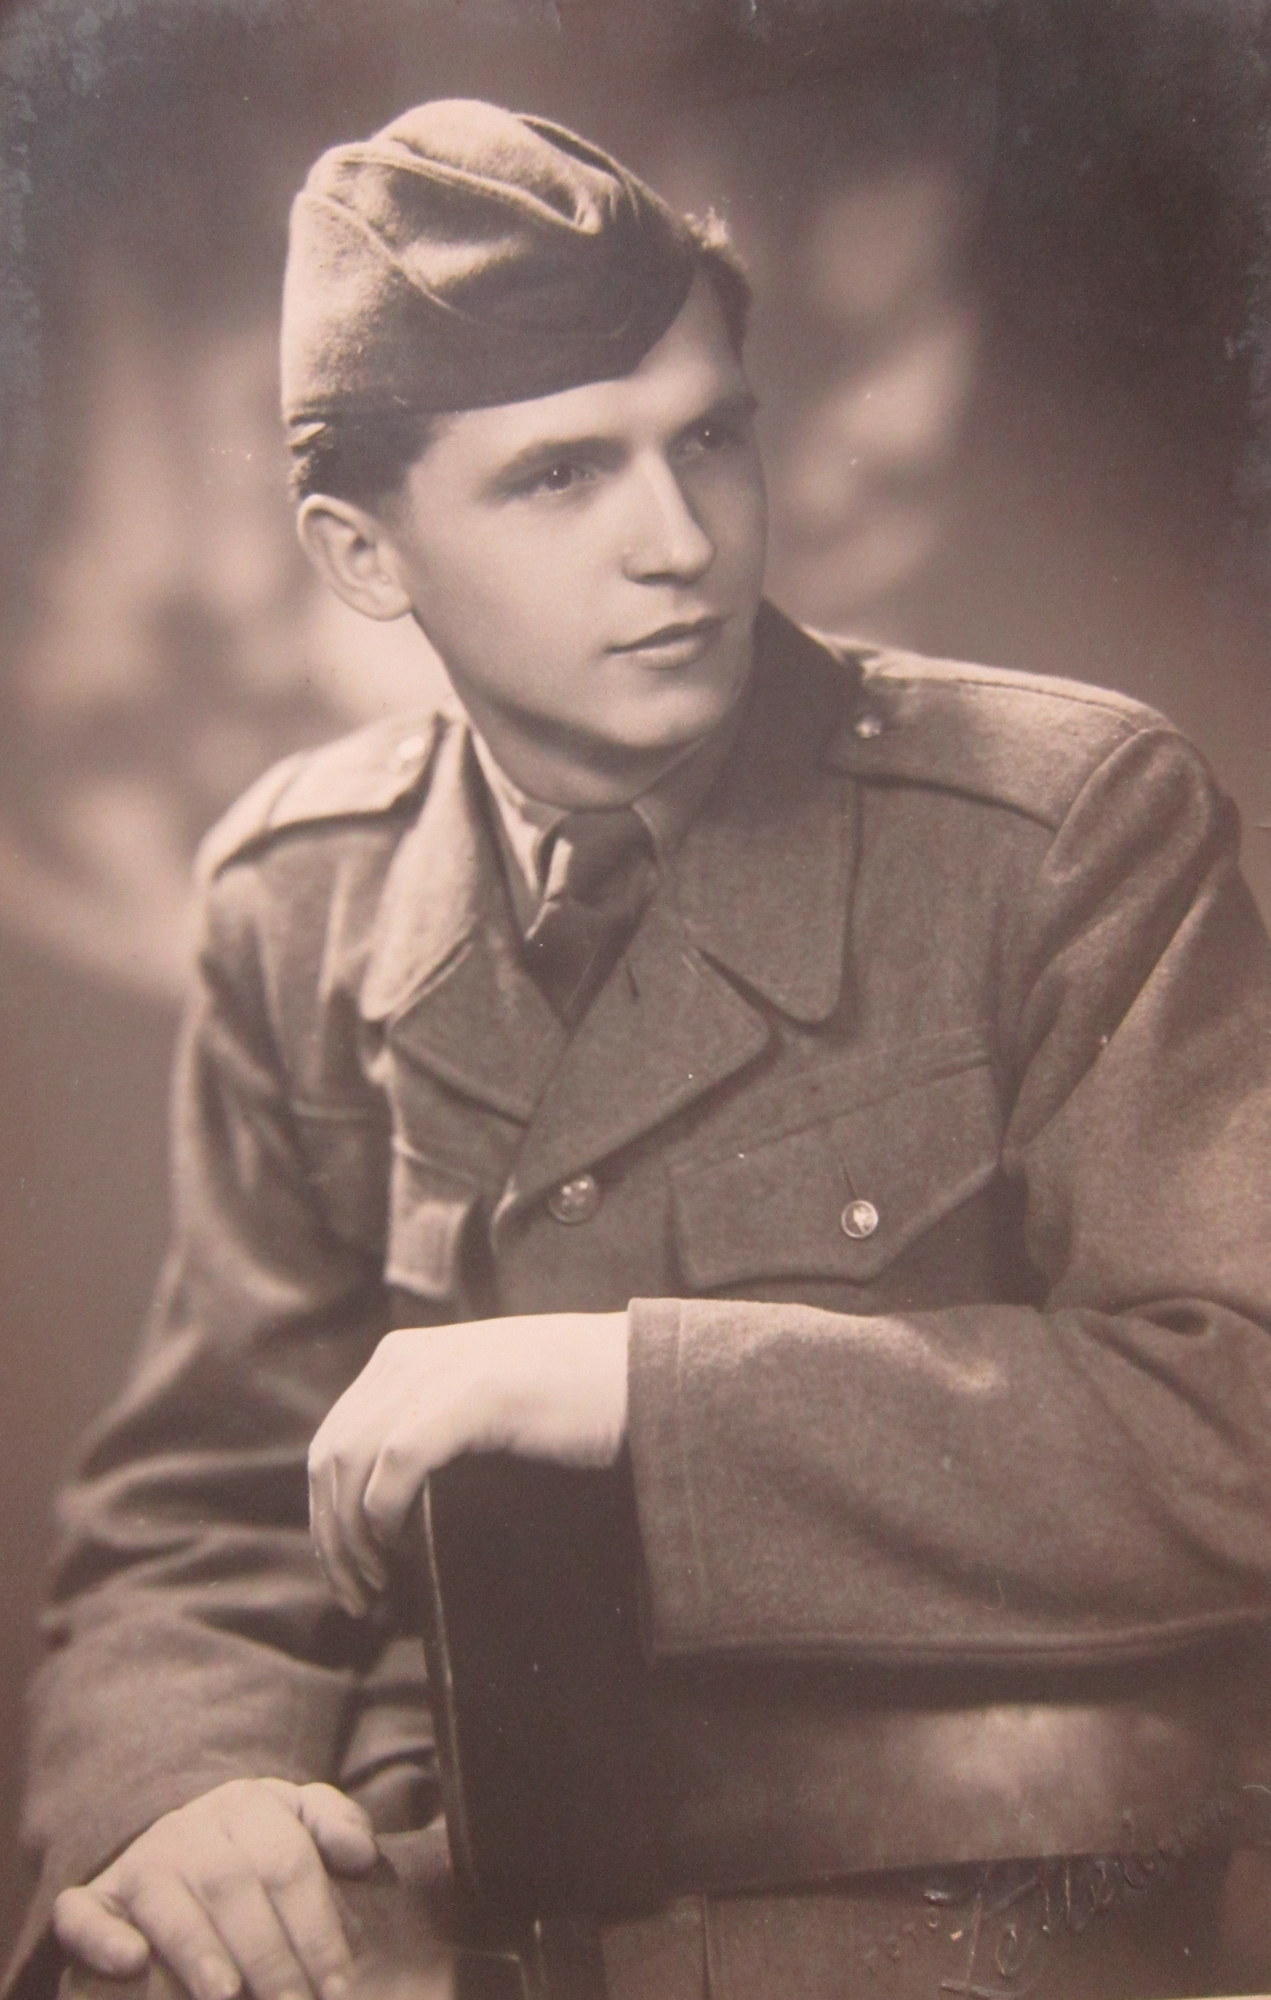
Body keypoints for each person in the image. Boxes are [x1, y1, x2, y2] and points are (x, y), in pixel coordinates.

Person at [11, 98, 1271, 2000]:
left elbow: (1237, 1425)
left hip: (952, 1920)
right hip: (464, 1911)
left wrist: (627, 1387)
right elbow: (206, 1499)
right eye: (558, 478)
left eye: (709, 440)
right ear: (361, 553)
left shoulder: (1057, 826)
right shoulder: (302, 897)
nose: (678, 543)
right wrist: (179, 1791)